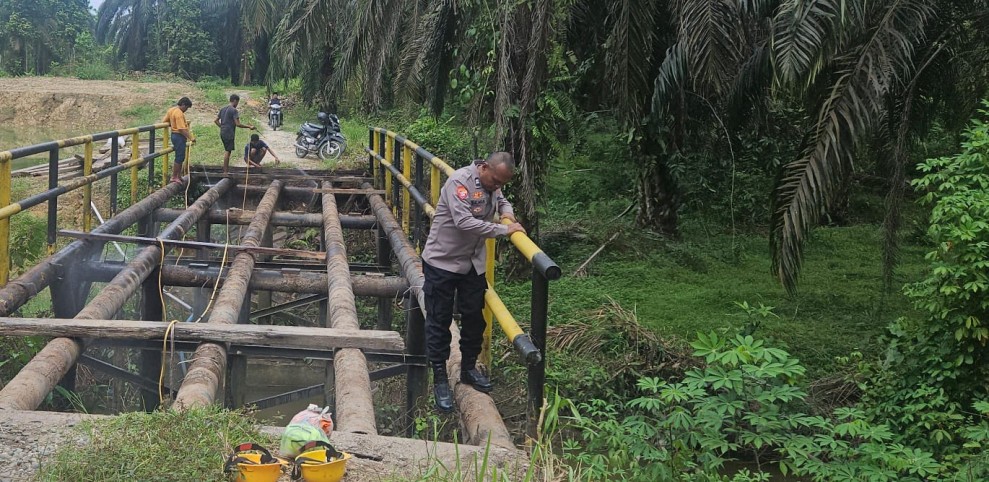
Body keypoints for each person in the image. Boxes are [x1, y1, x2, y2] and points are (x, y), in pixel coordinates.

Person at [420, 151, 526, 412]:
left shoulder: (494, 184)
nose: (497, 187)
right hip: (442, 262)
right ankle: (441, 379)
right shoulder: (459, 183)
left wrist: (508, 216)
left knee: (474, 318)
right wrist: (504, 230)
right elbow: (465, 222)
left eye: (502, 183)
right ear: (484, 168)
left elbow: (503, 202)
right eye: (495, 181)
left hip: (472, 264)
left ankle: (468, 368)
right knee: (439, 320)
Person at [214, 94, 255, 173]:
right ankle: (225, 171)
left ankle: (226, 170)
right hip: (229, 133)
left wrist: (222, 127)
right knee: (228, 151)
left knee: (227, 150)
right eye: (238, 102)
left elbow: (216, 120)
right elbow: (238, 124)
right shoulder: (234, 110)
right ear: (235, 101)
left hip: (223, 132)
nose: (237, 104)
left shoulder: (223, 109)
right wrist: (249, 127)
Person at [163, 97, 194, 184]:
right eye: (186, 108)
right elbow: (181, 129)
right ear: (183, 105)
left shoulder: (172, 110)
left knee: (181, 156)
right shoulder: (179, 113)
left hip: (174, 135)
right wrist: (191, 137)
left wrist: (173, 124)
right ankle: (174, 176)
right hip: (179, 136)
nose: (186, 110)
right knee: (180, 156)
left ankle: (178, 175)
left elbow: (164, 121)